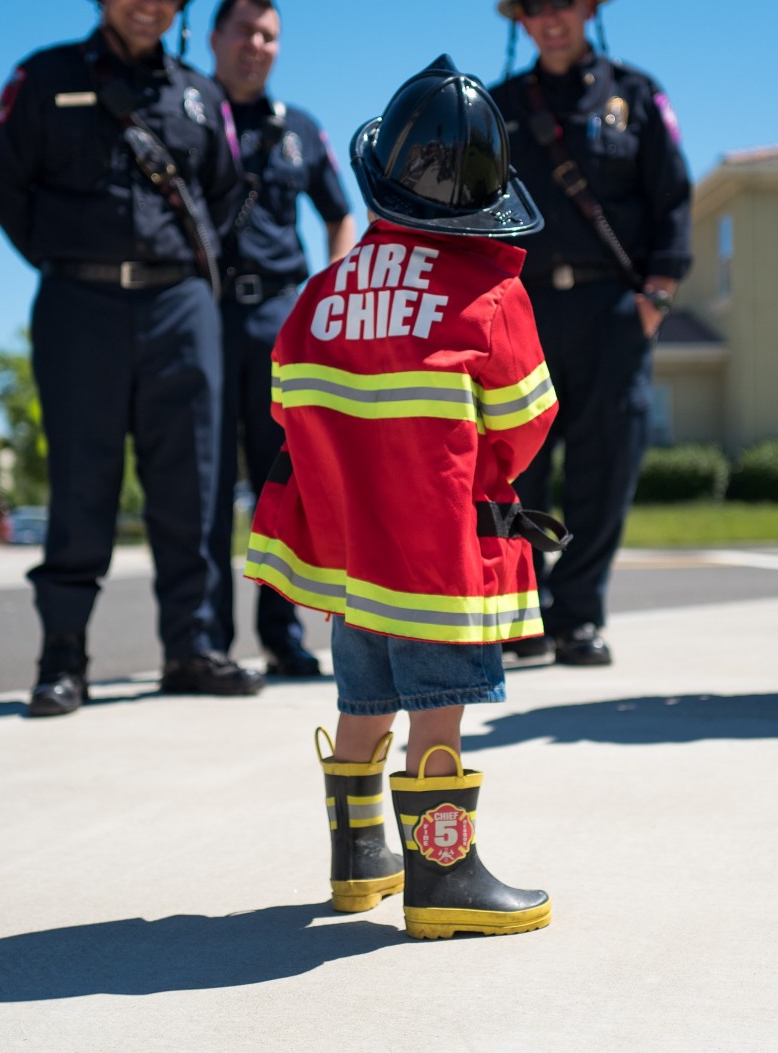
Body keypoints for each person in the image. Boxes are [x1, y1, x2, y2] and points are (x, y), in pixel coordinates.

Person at [247, 54, 561, 939]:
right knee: (439, 710)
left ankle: (360, 863)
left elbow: (286, 405)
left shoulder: (322, 291)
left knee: (361, 702)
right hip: (438, 561)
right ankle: (444, 875)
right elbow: (524, 424)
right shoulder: (491, 294)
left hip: (353, 565)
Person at [0, 0, 262, 711]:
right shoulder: (41, 77)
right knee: (82, 481)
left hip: (182, 307)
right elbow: (6, 187)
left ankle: (195, 645)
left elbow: (232, 193)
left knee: (195, 484)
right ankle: (62, 656)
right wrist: (70, 257)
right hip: (80, 305)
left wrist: (189, 267)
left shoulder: (199, 95)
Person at [487, 0, 692, 667]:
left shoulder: (636, 97)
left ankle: (580, 613)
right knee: (520, 471)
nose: (551, 15)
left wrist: (655, 298)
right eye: (534, 2)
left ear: (588, 4)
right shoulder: (497, 110)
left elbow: (672, 200)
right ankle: (529, 608)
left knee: (606, 466)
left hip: (614, 310)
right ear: (520, 16)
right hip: (524, 316)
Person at [203, 0, 357, 677]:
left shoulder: (300, 125)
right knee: (201, 480)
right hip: (201, 315)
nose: (256, 45)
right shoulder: (189, 111)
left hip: (279, 316)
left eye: (268, 35)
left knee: (283, 482)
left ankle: (282, 632)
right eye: (244, 32)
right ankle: (205, 638)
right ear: (214, 38)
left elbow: (338, 212)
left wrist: (335, 298)